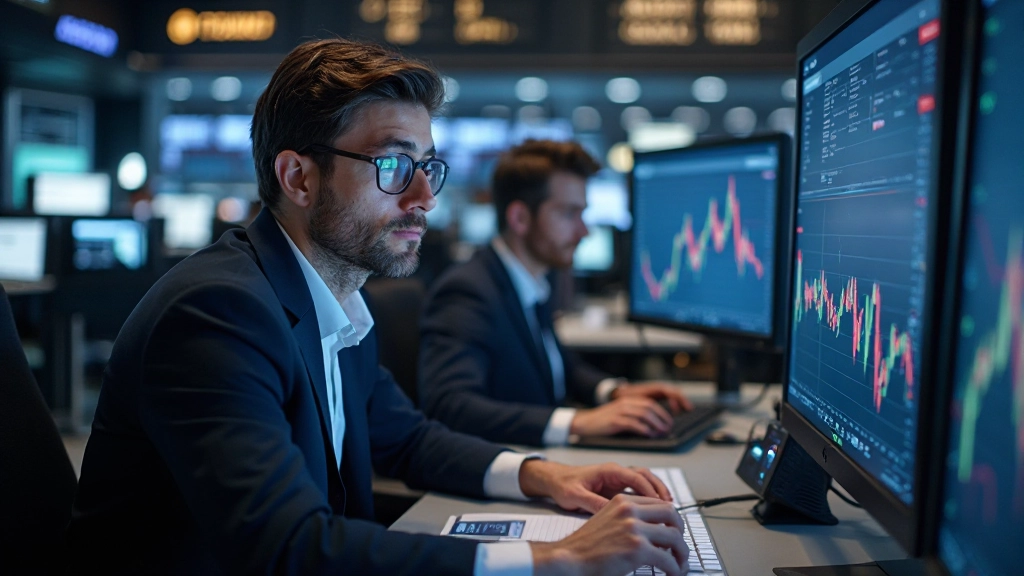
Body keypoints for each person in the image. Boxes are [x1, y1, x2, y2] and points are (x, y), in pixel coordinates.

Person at [66, 39, 689, 576]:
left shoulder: (333, 299)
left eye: (427, 167)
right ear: (299, 178)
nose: (424, 196)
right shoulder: (217, 313)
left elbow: (410, 441)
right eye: (393, 165)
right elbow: (289, 549)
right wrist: (556, 559)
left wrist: (544, 476)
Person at [419, 140, 693, 447]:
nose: (584, 231)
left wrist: (613, 391)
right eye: (569, 214)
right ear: (520, 218)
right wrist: (579, 421)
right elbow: (450, 407)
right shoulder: (469, 291)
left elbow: (559, 365)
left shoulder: (530, 280)